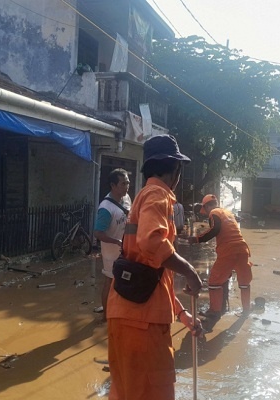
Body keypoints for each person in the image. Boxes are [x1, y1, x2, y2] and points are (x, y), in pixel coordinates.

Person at [107, 134, 203, 400]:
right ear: (175, 170)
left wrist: (183, 316)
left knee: (125, 392)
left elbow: (152, 276)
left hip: (126, 314)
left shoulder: (142, 196)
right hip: (143, 324)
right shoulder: (159, 194)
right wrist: (190, 271)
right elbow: (151, 242)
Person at [188, 194, 252, 325]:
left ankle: (214, 311)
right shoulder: (227, 213)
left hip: (228, 250)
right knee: (244, 282)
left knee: (214, 282)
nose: (205, 214)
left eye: (204, 210)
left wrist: (197, 239)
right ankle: (246, 310)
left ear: (206, 206)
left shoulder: (214, 212)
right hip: (243, 249)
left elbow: (214, 230)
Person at [94, 169, 131, 322]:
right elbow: (97, 233)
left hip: (126, 249)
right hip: (111, 252)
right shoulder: (106, 208)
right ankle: (106, 317)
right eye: (123, 183)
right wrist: (116, 242)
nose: (127, 186)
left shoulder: (127, 198)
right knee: (110, 281)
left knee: (126, 280)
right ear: (113, 185)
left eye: (128, 182)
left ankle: (120, 311)